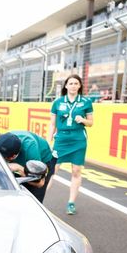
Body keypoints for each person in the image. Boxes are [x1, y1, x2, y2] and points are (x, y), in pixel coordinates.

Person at [49, 74, 93, 215]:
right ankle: (39, 198)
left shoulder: (86, 102)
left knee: (76, 171)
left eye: (76, 83)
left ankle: (71, 203)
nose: (73, 86)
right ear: (66, 86)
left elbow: (91, 123)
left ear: (79, 86)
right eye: (71, 83)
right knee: (52, 170)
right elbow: (52, 124)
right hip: (61, 140)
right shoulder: (58, 102)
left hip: (78, 140)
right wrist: (48, 140)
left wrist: (83, 120)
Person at [0, 131, 57, 203]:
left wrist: (18, 168)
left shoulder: (30, 149)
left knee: (33, 200)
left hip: (42, 159)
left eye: (3, 157)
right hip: (16, 157)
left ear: (13, 157)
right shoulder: (0, 143)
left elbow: (40, 183)